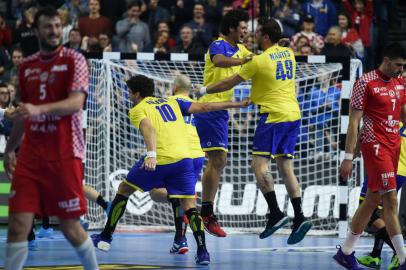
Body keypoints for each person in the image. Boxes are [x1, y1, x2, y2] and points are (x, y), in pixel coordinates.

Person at [90, 74, 249, 266]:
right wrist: (236, 105)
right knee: (189, 205)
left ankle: (106, 236)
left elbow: (148, 127)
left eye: (130, 93)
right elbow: (206, 107)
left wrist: (151, 154)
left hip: (161, 158)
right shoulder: (172, 102)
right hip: (185, 160)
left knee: (124, 190)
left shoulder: (138, 108)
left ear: (137, 94)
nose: (129, 96)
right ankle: (203, 252)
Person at [196, 18, 312, 244]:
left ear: (266, 37)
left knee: (258, 164)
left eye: (257, 33)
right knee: (285, 166)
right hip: (294, 114)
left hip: (272, 115)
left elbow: (227, 84)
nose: (252, 36)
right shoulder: (288, 53)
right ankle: (299, 217)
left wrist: (203, 89)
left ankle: (276, 213)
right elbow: (279, 47)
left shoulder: (258, 61)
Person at [3, 7, 98, 270]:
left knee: (70, 226)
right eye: (48, 27)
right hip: (31, 156)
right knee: (18, 224)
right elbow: (23, 114)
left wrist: (38, 109)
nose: (54, 31)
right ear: (37, 30)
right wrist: (11, 149)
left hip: (64, 154)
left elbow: (76, 103)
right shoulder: (27, 67)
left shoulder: (74, 60)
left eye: (57, 26)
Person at [334, 42, 406, 270]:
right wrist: (348, 156)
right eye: (398, 65)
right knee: (390, 201)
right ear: (386, 60)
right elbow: (354, 122)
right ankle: (404, 259)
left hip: (394, 144)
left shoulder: (400, 83)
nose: (401, 70)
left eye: (404, 66)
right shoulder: (364, 82)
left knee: (372, 200)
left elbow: (403, 114)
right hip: (375, 146)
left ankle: (345, 252)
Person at [194, 9, 252, 238]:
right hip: (207, 108)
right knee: (216, 159)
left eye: (247, 29)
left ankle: (204, 211)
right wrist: (242, 60)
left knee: (215, 160)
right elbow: (219, 62)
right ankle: (206, 212)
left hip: (220, 111)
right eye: (243, 29)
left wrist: (278, 45)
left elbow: (257, 59)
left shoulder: (243, 49)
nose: (246, 32)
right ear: (231, 28)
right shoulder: (218, 45)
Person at [149, 74, 205, 254]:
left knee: (156, 193)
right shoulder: (196, 105)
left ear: (174, 88)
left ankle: (181, 239)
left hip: (175, 151)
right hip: (197, 153)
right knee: (183, 198)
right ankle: (182, 239)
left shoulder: (168, 102)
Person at [356, 125, 406, 270]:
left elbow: (368, 129)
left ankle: (400, 253)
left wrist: (353, 152)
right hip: (401, 170)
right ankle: (375, 255)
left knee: (367, 214)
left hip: (386, 167)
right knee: (382, 214)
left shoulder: (390, 109)